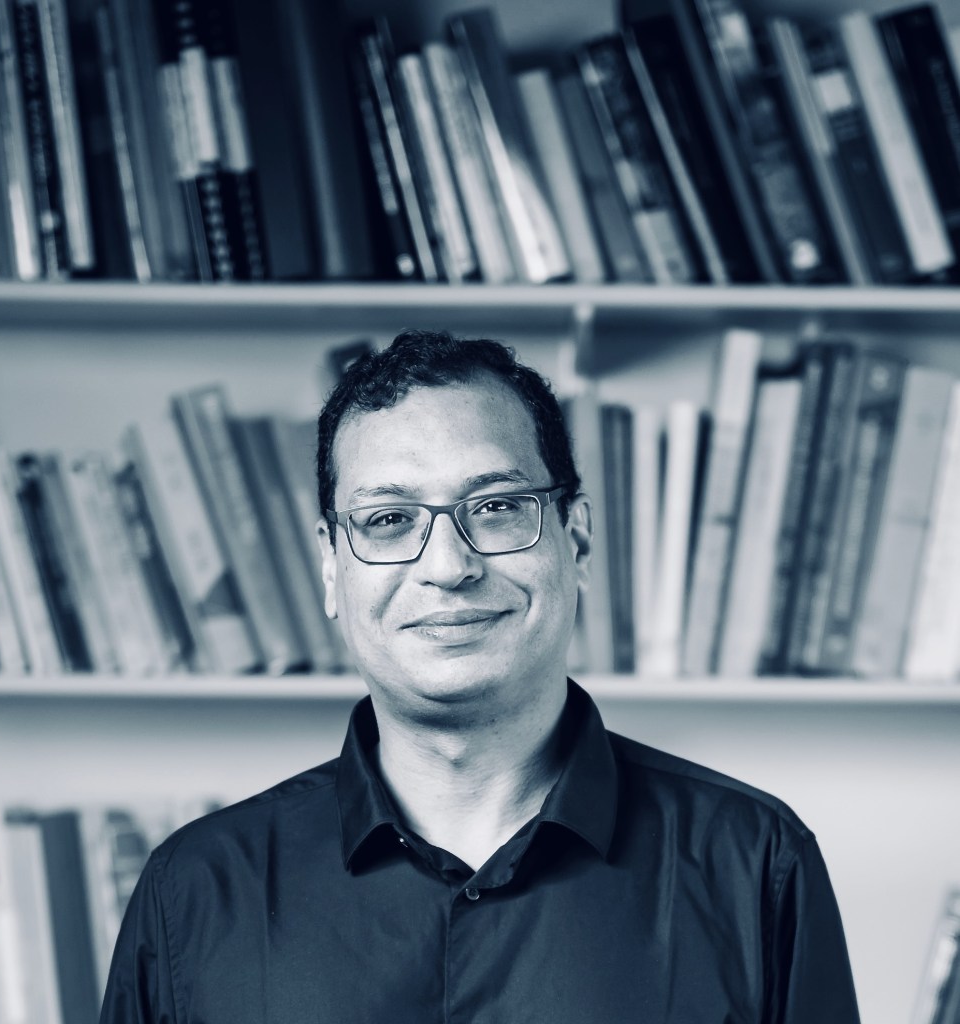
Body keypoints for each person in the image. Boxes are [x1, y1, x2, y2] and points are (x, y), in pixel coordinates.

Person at [100, 330, 860, 1023]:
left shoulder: (757, 864)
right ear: (332, 567)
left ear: (579, 541)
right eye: (390, 520)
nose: (448, 566)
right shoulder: (192, 892)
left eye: (495, 507)